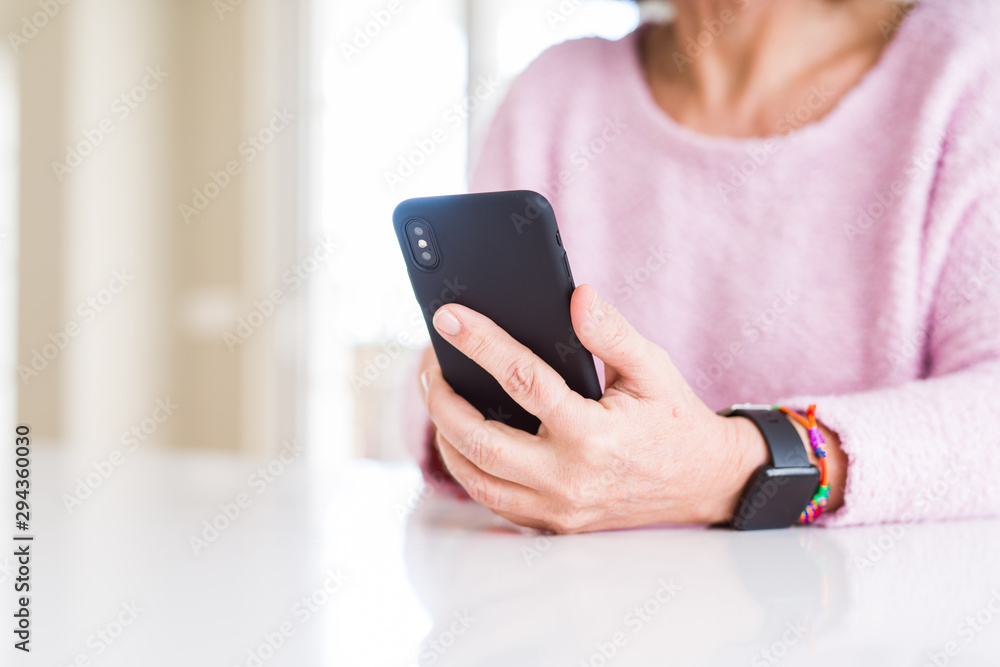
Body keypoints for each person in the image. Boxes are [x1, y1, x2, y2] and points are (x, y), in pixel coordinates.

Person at [405, 0, 1000, 532]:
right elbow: (428, 384)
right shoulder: (556, 94)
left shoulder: (968, 67)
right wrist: (467, 421)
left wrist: (730, 465)